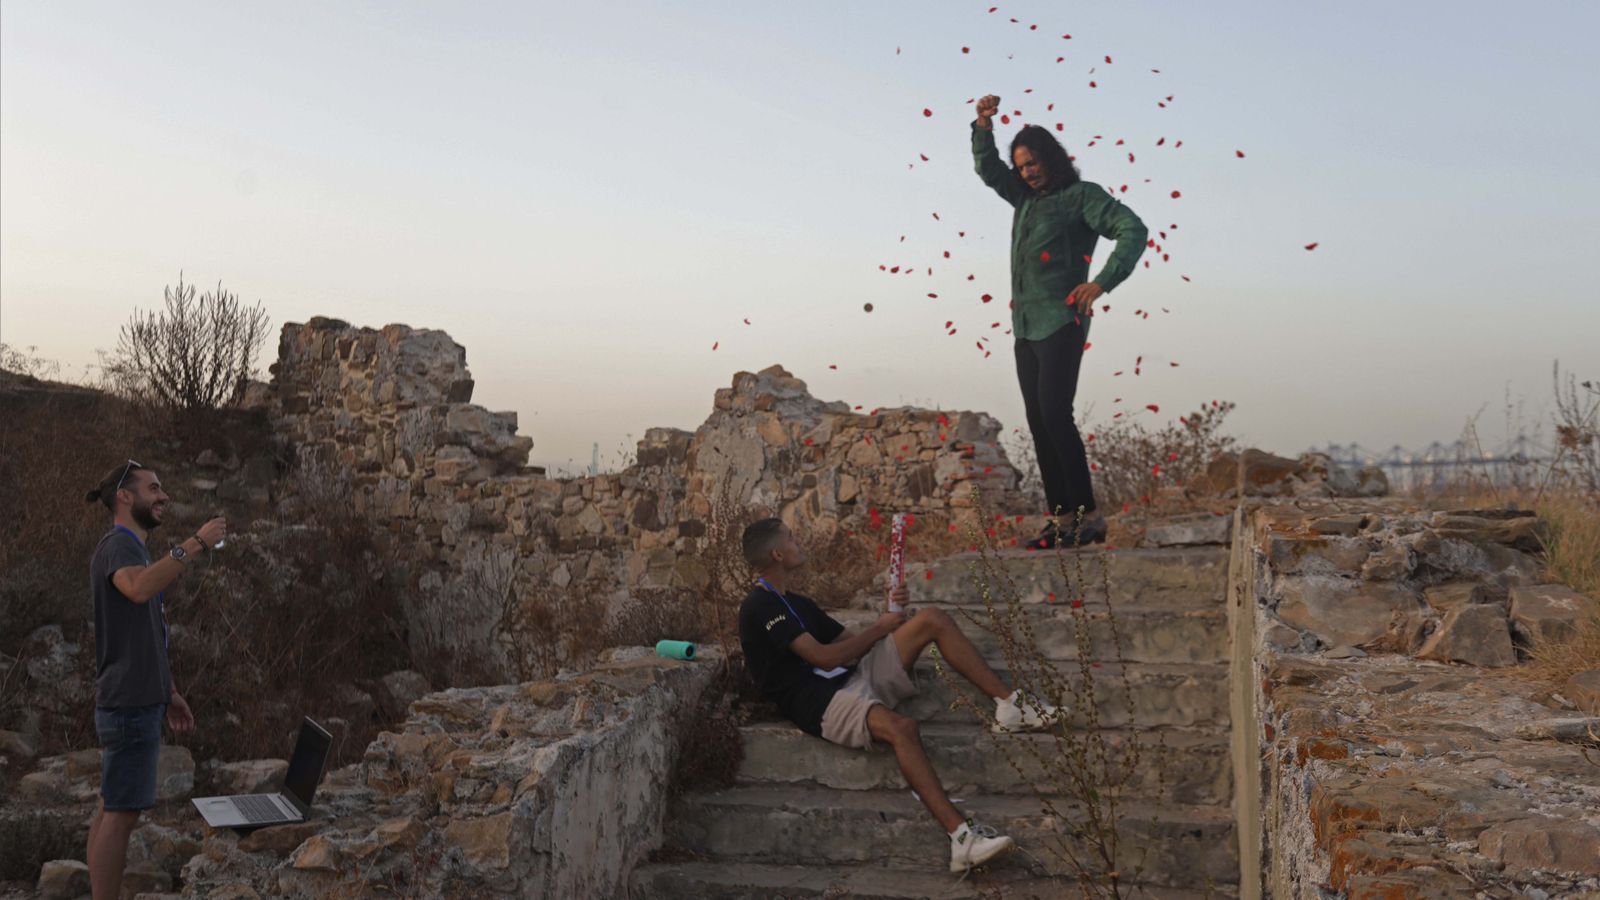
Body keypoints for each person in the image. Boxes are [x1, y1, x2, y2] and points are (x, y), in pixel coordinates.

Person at [736, 518, 1066, 873]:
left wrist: (891, 617)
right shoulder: (759, 606)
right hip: (815, 702)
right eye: (790, 537)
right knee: (902, 728)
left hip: (849, 677)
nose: (798, 541)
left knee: (932, 619)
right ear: (777, 554)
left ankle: (1010, 706)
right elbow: (822, 657)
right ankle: (962, 839)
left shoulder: (797, 602)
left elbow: (849, 645)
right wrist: (879, 628)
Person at [971, 93, 1149, 549]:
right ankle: (1061, 519)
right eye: (1021, 166)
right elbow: (989, 170)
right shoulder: (1024, 200)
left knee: (1055, 413)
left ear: (1051, 158)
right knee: (1038, 420)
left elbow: (1133, 229)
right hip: (1026, 326)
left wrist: (1102, 282)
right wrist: (983, 126)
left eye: (1033, 162)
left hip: (1061, 322)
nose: (1027, 172)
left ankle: (1090, 517)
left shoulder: (1080, 198)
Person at [82, 460, 225, 900]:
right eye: (154, 488)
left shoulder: (135, 550)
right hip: (128, 703)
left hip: (139, 698)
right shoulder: (119, 546)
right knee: (120, 815)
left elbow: (146, 633)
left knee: (111, 808)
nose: (164, 496)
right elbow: (138, 588)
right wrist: (196, 543)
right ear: (125, 496)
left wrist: (170, 690)